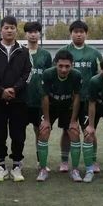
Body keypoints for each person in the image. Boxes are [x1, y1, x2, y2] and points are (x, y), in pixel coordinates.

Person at [0, 16, 32, 182]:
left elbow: (28, 74)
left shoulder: (24, 51)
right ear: (1, 30)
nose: (9, 30)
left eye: (12, 27)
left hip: (19, 100)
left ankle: (17, 166)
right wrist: (1, 90)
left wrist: (15, 89)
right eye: (6, 27)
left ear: (16, 30)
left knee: (18, 134)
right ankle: (2, 166)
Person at [58, 20, 103, 173]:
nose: (78, 34)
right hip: (67, 100)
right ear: (70, 34)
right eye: (75, 32)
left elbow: (100, 75)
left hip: (87, 100)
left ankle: (93, 161)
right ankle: (64, 161)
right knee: (67, 130)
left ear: (86, 34)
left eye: (81, 32)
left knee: (89, 131)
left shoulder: (94, 53)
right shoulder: (63, 51)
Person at [35, 50, 82, 182]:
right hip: (50, 106)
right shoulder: (48, 74)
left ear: (72, 65)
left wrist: (73, 120)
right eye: (60, 66)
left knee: (73, 132)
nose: (64, 69)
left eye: (67, 66)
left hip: (67, 106)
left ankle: (75, 170)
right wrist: (47, 120)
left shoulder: (76, 75)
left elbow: (77, 97)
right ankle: (43, 169)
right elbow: (44, 97)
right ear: (55, 64)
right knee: (44, 131)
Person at [23, 21, 53, 171]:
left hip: (39, 101)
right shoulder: (20, 52)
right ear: (25, 34)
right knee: (19, 133)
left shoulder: (45, 55)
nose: (33, 35)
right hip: (22, 100)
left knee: (39, 132)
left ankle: (41, 161)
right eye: (30, 32)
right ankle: (18, 161)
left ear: (40, 34)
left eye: (36, 32)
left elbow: (49, 78)